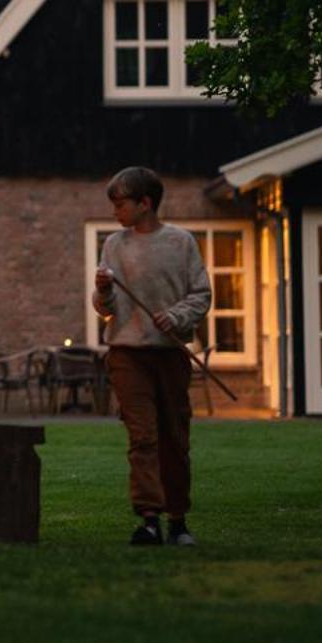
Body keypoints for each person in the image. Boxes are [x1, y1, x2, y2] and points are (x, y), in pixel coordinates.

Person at [92, 165, 212, 548]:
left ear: (145, 203)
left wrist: (176, 317)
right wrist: (103, 291)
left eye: (121, 204)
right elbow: (104, 308)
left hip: (170, 354)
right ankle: (148, 520)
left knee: (174, 437)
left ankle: (178, 520)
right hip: (128, 354)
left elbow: (201, 294)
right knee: (142, 437)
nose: (116, 212)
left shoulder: (181, 243)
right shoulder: (114, 245)